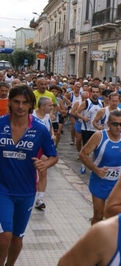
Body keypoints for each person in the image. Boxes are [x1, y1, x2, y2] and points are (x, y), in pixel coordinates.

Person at [0, 85, 58, 266]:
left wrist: (44, 164)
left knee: (17, 238)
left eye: (25, 102)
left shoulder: (40, 129)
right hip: (2, 190)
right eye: (16, 101)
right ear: (9, 102)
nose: (20, 106)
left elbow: (54, 157)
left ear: (31, 105)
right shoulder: (0, 124)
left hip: (26, 191)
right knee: (4, 236)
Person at [79, 110, 121, 225]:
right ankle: (93, 239)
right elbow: (83, 154)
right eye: (115, 124)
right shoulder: (99, 136)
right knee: (98, 214)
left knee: (114, 215)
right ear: (108, 123)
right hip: (100, 181)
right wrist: (96, 170)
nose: (118, 127)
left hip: (117, 183)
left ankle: (110, 239)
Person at [32, 96, 56, 210]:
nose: (52, 107)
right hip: (31, 148)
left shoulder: (47, 116)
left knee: (43, 172)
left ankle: (40, 199)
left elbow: (50, 128)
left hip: (43, 148)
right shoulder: (31, 115)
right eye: (50, 105)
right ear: (42, 106)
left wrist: (52, 134)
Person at [75, 85, 103, 173]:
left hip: (97, 130)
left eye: (97, 92)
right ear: (91, 92)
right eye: (93, 92)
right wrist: (83, 118)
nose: (95, 93)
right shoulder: (86, 102)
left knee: (96, 149)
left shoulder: (101, 103)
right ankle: (83, 166)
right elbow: (77, 112)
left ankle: (93, 167)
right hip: (86, 129)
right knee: (86, 149)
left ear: (99, 93)